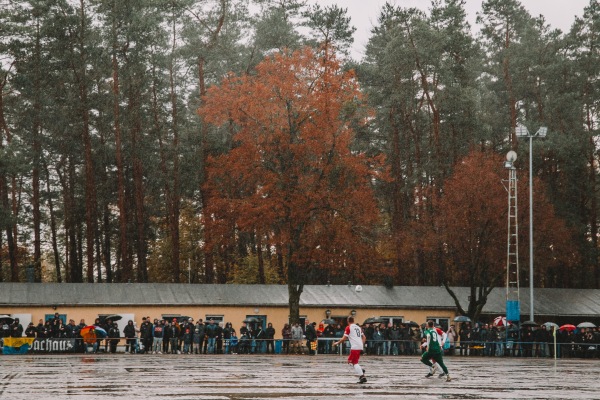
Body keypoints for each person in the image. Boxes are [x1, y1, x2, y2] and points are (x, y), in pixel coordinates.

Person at [332, 316, 367, 384]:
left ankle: (362, 376)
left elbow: (344, 338)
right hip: (359, 346)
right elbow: (364, 337)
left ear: (348, 321)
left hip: (355, 347)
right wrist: (361, 344)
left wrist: (337, 343)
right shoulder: (358, 327)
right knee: (353, 362)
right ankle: (360, 370)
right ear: (353, 320)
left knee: (352, 362)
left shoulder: (348, 327)